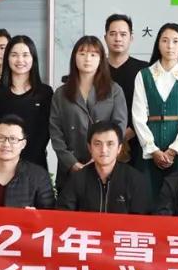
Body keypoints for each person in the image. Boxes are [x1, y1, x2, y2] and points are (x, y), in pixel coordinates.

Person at [132, 23, 178, 201]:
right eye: (165, 40)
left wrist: (174, 150)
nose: (170, 46)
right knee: (147, 198)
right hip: (149, 147)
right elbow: (138, 116)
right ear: (158, 44)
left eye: (175, 41)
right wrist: (152, 150)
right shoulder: (143, 75)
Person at [49, 35, 128, 188]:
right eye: (82, 53)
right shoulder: (61, 93)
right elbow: (55, 132)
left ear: (101, 59)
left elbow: (119, 126)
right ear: (74, 57)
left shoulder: (114, 90)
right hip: (70, 168)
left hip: (105, 164)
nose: (87, 59)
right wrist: (72, 163)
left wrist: (97, 159)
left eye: (93, 54)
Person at [0, 35, 53, 169]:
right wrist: (6, 157)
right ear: (7, 58)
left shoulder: (44, 93)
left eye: (25, 55)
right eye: (14, 55)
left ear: (33, 58)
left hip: (33, 165)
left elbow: (44, 133)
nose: (20, 60)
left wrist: (21, 163)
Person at [56, 121, 151, 214]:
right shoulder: (77, 179)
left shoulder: (135, 179)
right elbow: (63, 215)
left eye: (110, 144)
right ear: (90, 148)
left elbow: (142, 219)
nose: (104, 150)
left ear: (119, 148)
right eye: (98, 144)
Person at [0, 115, 56, 208]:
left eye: (13, 139)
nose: (6, 144)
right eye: (0, 137)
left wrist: (35, 215)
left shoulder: (39, 177)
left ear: (23, 144)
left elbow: (49, 213)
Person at [104, 13, 148, 165]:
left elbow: (151, 106)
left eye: (123, 34)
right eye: (113, 34)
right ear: (105, 37)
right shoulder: (96, 69)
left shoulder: (144, 70)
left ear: (131, 38)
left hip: (137, 142)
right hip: (101, 144)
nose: (118, 38)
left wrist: (130, 132)